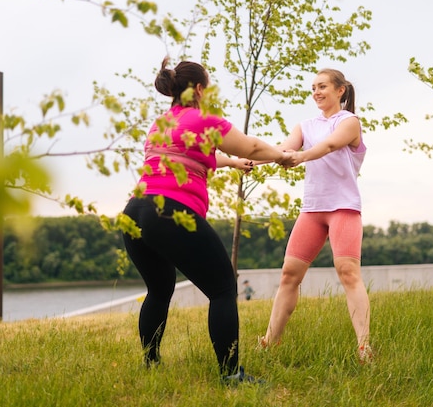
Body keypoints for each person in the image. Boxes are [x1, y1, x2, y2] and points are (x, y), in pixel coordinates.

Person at [121, 57, 289, 384]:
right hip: (170, 211)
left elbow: (197, 153)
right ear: (199, 89)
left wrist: (231, 163)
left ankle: (151, 363)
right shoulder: (204, 119)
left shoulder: (161, 123)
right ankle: (231, 375)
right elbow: (253, 146)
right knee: (223, 288)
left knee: (158, 289)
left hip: (136, 212)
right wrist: (281, 155)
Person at [259, 68, 372, 363]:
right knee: (289, 275)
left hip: (343, 207)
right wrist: (251, 158)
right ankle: (270, 342)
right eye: (313, 88)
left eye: (323, 86)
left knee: (348, 273)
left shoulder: (349, 122)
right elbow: (284, 148)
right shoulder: (305, 125)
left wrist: (301, 156)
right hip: (312, 209)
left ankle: (363, 347)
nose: (317, 92)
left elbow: (330, 145)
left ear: (340, 91)